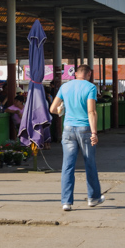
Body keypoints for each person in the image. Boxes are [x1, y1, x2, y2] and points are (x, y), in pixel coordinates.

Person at [49, 64, 104, 211]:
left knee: (67, 166)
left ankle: (66, 202)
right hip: (85, 129)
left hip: (67, 130)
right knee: (90, 164)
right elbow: (91, 111)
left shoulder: (65, 87)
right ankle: (93, 198)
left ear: (76, 74)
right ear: (89, 74)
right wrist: (94, 133)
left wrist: (63, 110)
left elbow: (53, 109)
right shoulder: (90, 88)